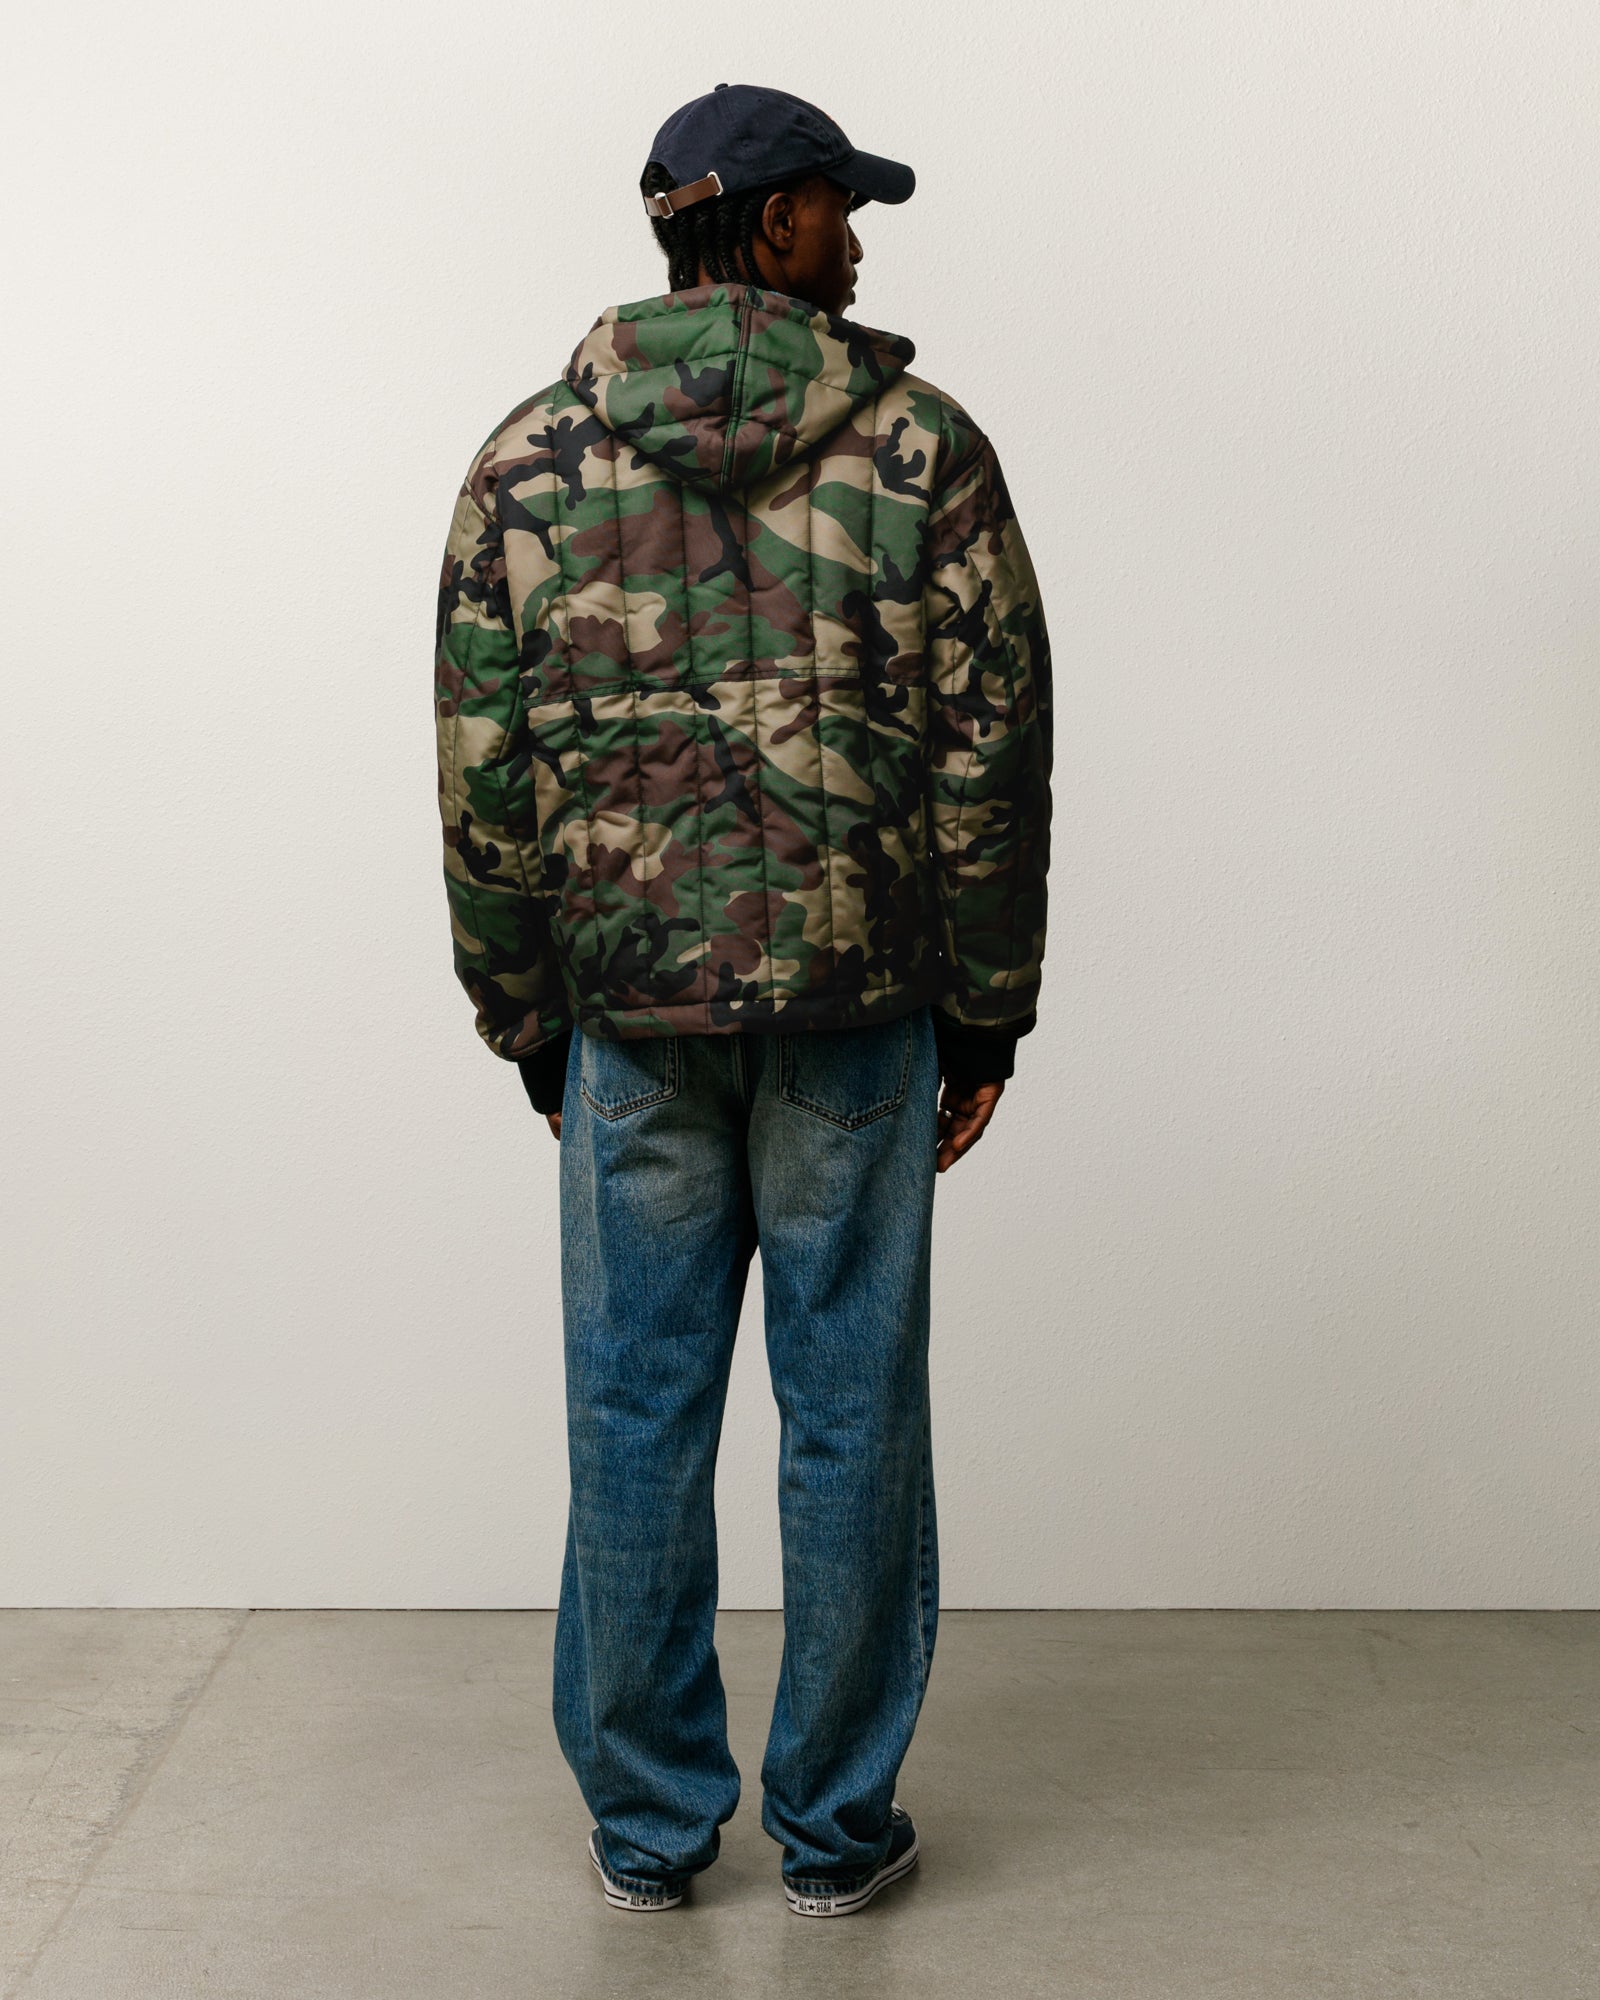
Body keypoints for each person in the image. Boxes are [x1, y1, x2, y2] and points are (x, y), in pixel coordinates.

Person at [432, 81, 1052, 1917]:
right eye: (842, 209)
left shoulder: (529, 461)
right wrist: (989, 1009)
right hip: (858, 1010)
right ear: (772, 221)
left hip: (629, 1020)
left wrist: (526, 1012)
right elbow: (992, 751)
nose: (857, 243)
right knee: (851, 1413)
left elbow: (482, 765)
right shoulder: (925, 450)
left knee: (634, 1412)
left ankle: (647, 1833)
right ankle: (837, 1836)